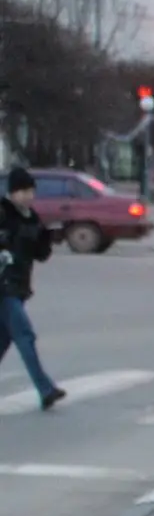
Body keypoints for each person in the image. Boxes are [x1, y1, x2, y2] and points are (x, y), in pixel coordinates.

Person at [0, 168, 66, 411]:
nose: (28, 196)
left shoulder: (32, 217)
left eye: (31, 191)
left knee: (3, 340)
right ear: (12, 193)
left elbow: (40, 255)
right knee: (25, 336)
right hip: (3, 287)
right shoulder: (3, 213)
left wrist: (48, 238)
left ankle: (45, 389)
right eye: (23, 191)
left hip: (19, 286)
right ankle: (45, 389)